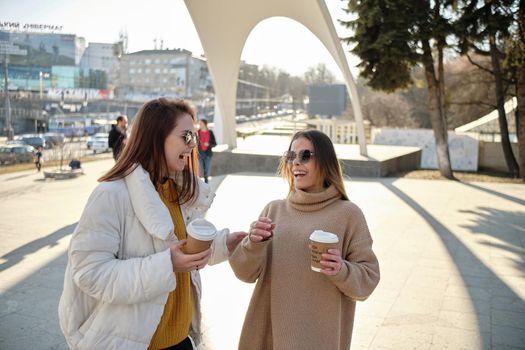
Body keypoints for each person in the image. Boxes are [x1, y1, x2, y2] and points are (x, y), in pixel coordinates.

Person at [58, 98, 246, 350]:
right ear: (156, 137)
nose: (193, 145)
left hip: (181, 339)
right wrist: (167, 264)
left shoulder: (178, 190)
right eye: (186, 136)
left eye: (194, 136)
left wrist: (224, 244)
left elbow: (181, 248)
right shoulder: (111, 194)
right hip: (132, 343)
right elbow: (89, 273)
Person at [229, 129, 380, 350]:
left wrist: (341, 270)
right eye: (291, 156)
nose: (296, 163)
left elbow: (368, 280)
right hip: (268, 337)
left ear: (326, 162)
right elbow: (244, 273)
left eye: (305, 156)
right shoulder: (274, 210)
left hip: (319, 340)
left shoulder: (348, 214)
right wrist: (252, 245)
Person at [197, 118, 216, 183]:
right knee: (200, 170)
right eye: (199, 123)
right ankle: (200, 183)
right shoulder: (197, 132)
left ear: (205, 124)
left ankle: (206, 182)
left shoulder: (210, 132)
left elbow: (215, 144)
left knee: (206, 170)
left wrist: (209, 144)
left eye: (201, 123)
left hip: (208, 154)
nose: (200, 125)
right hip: (200, 154)